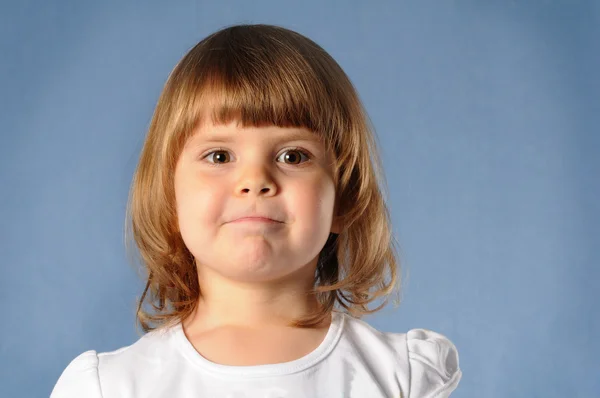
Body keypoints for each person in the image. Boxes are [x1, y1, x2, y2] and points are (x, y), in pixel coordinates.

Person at [50, 24, 461, 397]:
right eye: (218, 155)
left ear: (345, 200)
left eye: (293, 155)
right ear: (170, 199)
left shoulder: (399, 377)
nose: (255, 179)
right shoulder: (111, 387)